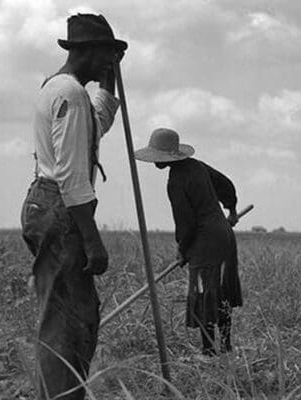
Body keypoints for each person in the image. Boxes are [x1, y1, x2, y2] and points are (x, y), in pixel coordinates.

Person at [20, 14, 126, 399]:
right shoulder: (70, 93)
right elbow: (70, 174)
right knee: (69, 322)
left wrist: (109, 81)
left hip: (45, 203)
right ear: (85, 51)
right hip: (60, 208)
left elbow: (94, 125)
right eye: (105, 53)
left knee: (65, 316)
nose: (108, 61)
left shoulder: (62, 88)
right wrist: (92, 239)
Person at [134, 128, 243, 356]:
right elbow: (226, 185)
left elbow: (186, 224)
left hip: (206, 243)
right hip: (224, 237)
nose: (156, 162)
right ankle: (226, 347)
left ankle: (208, 352)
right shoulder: (198, 166)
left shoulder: (176, 181)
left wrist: (182, 249)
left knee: (204, 294)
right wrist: (231, 211)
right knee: (220, 293)